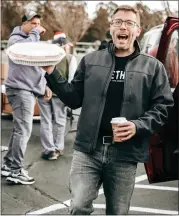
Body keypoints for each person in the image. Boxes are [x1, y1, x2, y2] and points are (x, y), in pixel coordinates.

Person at [41, 5, 173, 215]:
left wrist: (137, 126)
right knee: (78, 206)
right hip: (87, 150)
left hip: (125, 154)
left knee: (118, 212)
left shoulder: (153, 67)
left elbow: (163, 106)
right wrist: (51, 72)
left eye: (129, 23)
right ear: (111, 28)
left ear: (137, 30)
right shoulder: (91, 61)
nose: (123, 26)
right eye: (118, 22)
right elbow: (74, 98)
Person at [1, 11, 52, 185]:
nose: (36, 27)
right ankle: (16, 170)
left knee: (19, 129)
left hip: (26, 90)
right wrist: (36, 33)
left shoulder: (31, 41)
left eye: (38, 24)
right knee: (23, 130)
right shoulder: (16, 40)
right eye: (32, 23)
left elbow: (34, 68)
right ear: (23, 24)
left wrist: (44, 85)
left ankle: (8, 165)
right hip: (20, 90)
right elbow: (26, 50)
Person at [37, 32, 77, 160]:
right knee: (60, 121)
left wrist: (45, 87)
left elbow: (39, 74)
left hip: (43, 91)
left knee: (46, 121)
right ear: (65, 46)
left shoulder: (45, 57)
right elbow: (71, 79)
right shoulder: (70, 58)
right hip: (60, 94)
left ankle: (49, 150)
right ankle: (58, 147)